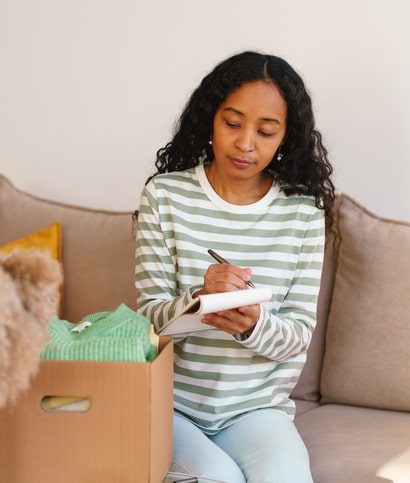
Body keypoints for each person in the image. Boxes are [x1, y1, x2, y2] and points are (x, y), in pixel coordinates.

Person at [135, 51, 336, 483]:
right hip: (170, 406)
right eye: (232, 123)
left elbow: (297, 336)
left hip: (256, 412)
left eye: (266, 131)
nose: (246, 143)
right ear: (210, 119)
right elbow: (146, 325)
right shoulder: (164, 197)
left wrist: (251, 324)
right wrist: (197, 304)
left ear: (286, 137)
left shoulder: (303, 213)